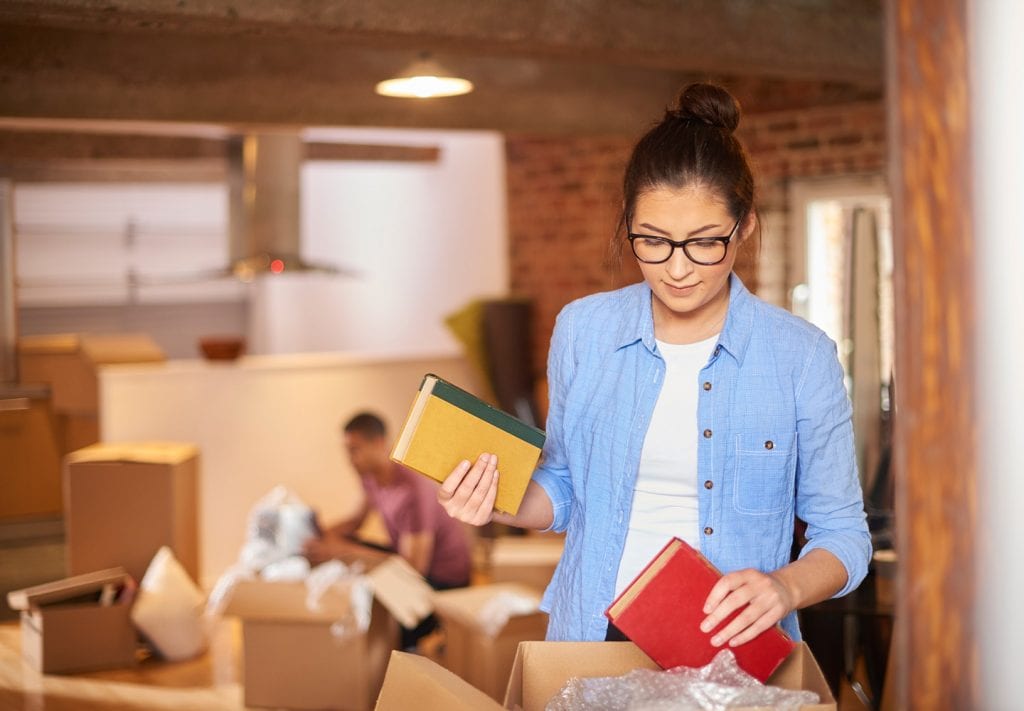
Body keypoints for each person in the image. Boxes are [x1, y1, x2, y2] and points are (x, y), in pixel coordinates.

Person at [437, 83, 871, 648]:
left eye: (704, 243)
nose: (678, 269)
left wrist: (784, 589)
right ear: (628, 225)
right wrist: (492, 498)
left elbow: (844, 536)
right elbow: (565, 492)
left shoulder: (801, 356)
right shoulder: (584, 331)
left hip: (729, 653)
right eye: (654, 241)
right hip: (592, 632)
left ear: (745, 227)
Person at [304, 411, 471, 648]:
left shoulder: (412, 490)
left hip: (442, 584)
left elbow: (414, 568)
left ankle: (395, 642)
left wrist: (343, 551)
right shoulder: (371, 478)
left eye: (355, 450)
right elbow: (355, 522)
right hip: (410, 563)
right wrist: (319, 535)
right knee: (350, 546)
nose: (350, 459)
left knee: (354, 559)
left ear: (379, 443)